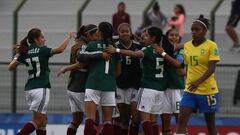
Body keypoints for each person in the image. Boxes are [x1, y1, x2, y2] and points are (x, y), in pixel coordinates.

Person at [154, 15, 220, 135]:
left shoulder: (211, 45)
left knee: (210, 124)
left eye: (197, 29)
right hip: (190, 90)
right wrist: (158, 40)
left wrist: (198, 82)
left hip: (207, 91)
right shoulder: (187, 45)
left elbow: (211, 68)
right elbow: (173, 51)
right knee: (181, 119)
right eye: (192, 30)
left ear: (205, 31)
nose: (194, 32)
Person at [106, 26, 174, 135]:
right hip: (160, 89)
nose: (144, 38)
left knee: (144, 119)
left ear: (152, 38)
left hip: (148, 88)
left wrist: (116, 50)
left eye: (146, 35)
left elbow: (135, 54)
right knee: (153, 120)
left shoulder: (147, 49)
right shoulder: (163, 50)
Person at [8, 28, 74, 135]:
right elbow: (60, 49)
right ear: (36, 39)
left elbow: (11, 67)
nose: (44, 40)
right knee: (38, 121)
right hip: (40, 89)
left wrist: (17, 56)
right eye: (42, 37)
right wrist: (69, 37)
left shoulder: (25, 52)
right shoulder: (42, 50)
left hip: (30, 89)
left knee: (43, 121)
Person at [57, 24, 107, 135]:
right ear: (88, 34)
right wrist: (100, 55)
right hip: (81, 87)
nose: (97, 37)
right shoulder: (83, 46)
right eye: (95, 35)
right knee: (95, 119)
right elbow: (81, 63)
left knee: (76, 120)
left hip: (72, 87)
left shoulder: (77, 44)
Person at [83, 22, 121, 135]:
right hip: (109, 85)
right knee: (108, 121)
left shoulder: (92, 45)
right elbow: (119, 71)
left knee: (90, 118)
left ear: (100, 32)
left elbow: (82, 59)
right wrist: (108, 78)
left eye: (98, 30)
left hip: (93, 83)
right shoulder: (115, 48)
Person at [112, 23, 142, 135]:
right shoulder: (114, 46)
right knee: (121, 117)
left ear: (130, 33)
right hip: (120, 85)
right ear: (118, 34)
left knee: (135, 118)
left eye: (127, 31)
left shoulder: (138, 46)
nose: (125, 33)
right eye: (122, 31)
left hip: (135, 85)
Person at [161, 28, 185, 135]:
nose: (174, 37)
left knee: (179, 118)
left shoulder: (182, 50)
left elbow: (178, 64)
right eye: (171, 35)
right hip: (163, 87)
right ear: (166, 37)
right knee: (165, 121)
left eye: (176, 35)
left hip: (176, 87)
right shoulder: (162, 49)